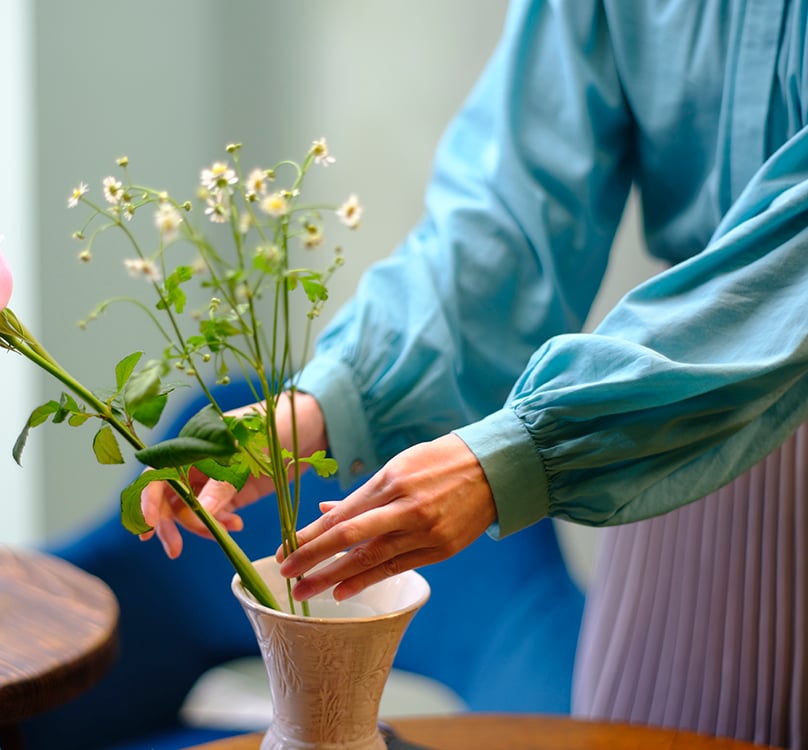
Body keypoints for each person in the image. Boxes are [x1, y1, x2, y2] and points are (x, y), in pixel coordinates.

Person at [141, 1, 808, 747]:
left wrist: (514, 457)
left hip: (666, 411)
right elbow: (513, 212)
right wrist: (326, 401)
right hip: (682, 440)